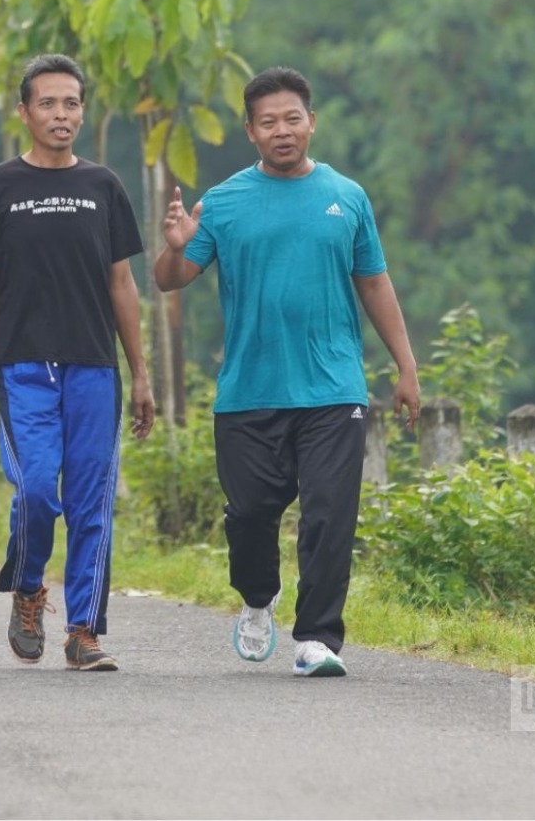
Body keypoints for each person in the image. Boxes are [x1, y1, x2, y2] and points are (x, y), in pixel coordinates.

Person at [154, 65, 422, 678]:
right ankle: (256, 598)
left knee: (330, 514)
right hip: (250, 391)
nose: (282, 131)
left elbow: (375, 283)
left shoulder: (347, 197)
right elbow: (172, 282)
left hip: (333, 388)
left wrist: (405, 367)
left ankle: (319, 638)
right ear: (250, 130)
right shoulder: (220, 203)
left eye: (292, 119)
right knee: (249, 516)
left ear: (311, 122)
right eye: (268, 122)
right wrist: (174, 247)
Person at [0, 54, 155, 673]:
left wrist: (141, 371)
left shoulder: (104, 187)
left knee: (92, 499)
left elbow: (122, 285)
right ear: (24, 112)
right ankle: (28, 587)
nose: (61, 114)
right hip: (21, 368)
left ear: (82, 111)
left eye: (71, 103)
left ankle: (83, 631)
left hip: (95, 366)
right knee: (39, 487)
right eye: (48, 103)